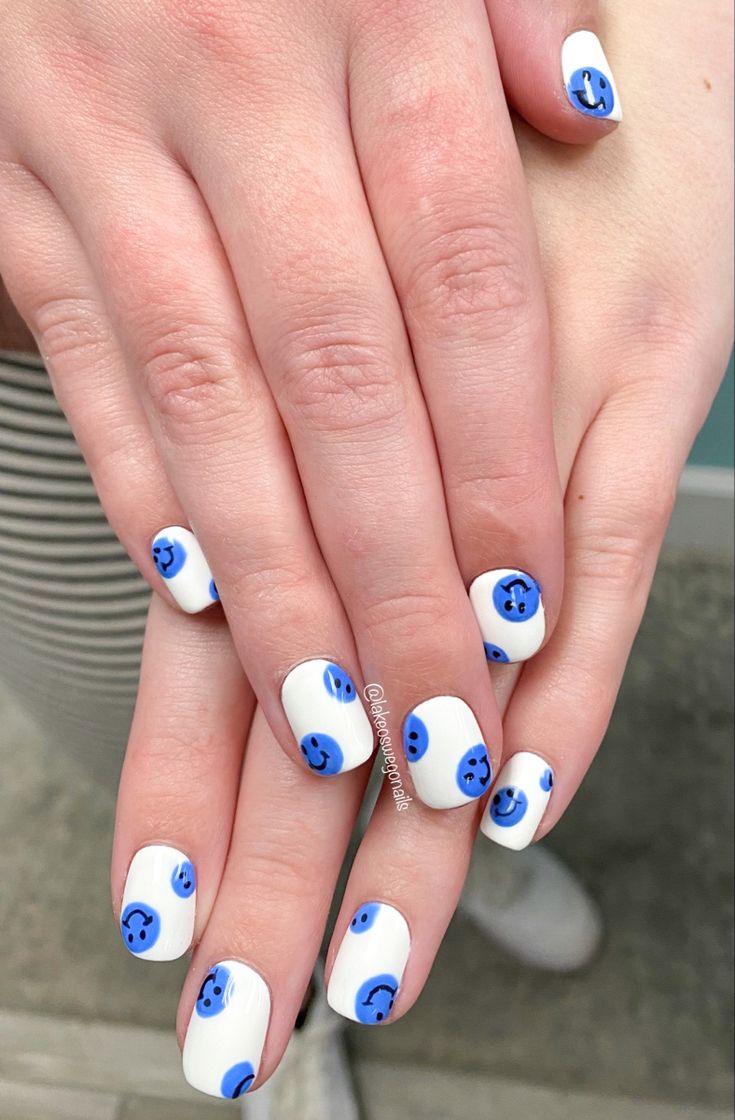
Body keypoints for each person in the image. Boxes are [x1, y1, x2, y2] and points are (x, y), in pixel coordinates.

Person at [0, 0, 731, 1109]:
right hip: (61, 298)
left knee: (487, 663)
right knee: (187, 737)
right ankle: (278, 1011)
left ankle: (465, 843)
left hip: (495, 179)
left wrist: (693, 43)